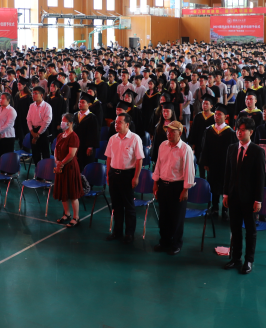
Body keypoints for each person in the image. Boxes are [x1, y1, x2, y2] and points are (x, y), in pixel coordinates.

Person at [222, 116, 265, 274]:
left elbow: (260, 178)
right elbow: (228, 173)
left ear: (251, 132)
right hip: (233, 196)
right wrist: (225, 194)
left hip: (249, 199)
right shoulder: (232, 148)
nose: (239, 133)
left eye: (242, 130)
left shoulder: (257, 151)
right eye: (237, 130)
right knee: (235, 229)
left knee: (250, 230)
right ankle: (236, 258)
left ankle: (249, 260)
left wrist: (258, 199)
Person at [152, 121, 195, 255]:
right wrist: (155, 183)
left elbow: (189, 170)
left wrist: (185, 190)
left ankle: (176, 243)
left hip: (177, 187)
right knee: (164, 216)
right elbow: (158, 165)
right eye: (168, 131)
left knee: (177, 218)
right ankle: (164, 241)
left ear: (180, 133)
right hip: (163, 185)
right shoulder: (162, 146)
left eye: (172, 131)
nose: (169, 134)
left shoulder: (185, 149)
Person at [104, 112, 144, 243]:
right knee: (116, 205)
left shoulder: (135, 138)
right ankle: (117, 231)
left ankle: (129, 234)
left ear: (127, 124)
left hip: (127, 175)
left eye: (119, 122)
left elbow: (139, 160)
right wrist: (108, 174)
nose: (116, 124)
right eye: (115, 122)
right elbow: (108, 158)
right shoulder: (112, 138)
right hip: (113, 174)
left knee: (129, 205)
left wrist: (136, 177)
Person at [200, 103, 237, 220]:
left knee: (225, 186)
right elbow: (204, 147)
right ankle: (214, 208)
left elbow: (233, 151)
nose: (216, 116)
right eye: (215, 114)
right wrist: (205, 162)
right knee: (213, 185)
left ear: (226, 116)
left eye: (219, 114)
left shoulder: (230, 132)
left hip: (225, 165)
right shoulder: (209, 130)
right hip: (212, 164)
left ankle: (225, 210)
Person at [53, 113, 84, 228]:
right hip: (60, 167)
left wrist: (61, 163)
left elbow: (71, 154)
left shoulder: (73, 137)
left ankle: (76, 217)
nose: (62, 123)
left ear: (70, 123)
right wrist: (56, 161)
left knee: (72, 193)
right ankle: (67, 214)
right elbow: (55, 149)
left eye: (64, 121)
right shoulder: (60, 135)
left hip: (70, 167)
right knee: (63, 191)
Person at [72, 93, 100, 170]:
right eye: (79, 102)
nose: (80, 104)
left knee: (85, 166)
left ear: (89, 104)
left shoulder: (92, 117)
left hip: (86, 146)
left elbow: (94, 134)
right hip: (76, 145)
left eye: (83, 102)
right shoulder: (75, 115)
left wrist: (90, 146)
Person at [26, 85, 53, 165]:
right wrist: (32, 131)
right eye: (32, 93)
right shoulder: (31, 106)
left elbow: (46, 121)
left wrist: (38, 133)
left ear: (41, 95)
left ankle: (46, 170)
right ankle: (38, 170)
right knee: (35, 153)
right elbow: (28, 119)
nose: (33, 95)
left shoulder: (47, 106)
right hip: (33, 131)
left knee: (45, 153)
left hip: (42, 131)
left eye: (35, 93)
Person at [0, 92, 17, 157]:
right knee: (0, 155)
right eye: (0, 98)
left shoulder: (11, 110)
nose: (0, 100)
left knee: (7, 157)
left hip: (8, 137)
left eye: (3, 98)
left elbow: (8, 124)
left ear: (8, 100)